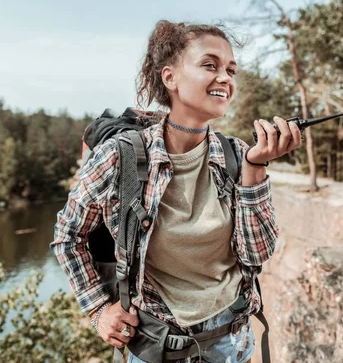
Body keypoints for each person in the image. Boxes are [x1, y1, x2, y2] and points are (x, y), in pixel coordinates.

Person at [51, 20, 302, 363]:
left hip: (233, 342)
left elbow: (255, 254)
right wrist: (98, 309)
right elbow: (68, 235)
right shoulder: (121, 157)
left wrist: (255, 167)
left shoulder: (237, 154)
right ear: (170, 78)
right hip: (159, 347)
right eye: (210, 65)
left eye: (231, 69)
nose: (226, 78)